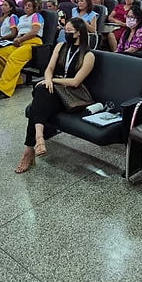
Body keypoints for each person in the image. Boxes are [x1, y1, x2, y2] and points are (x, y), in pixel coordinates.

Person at [15, 17, 96, 173]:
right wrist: (48, 79)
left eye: (69, 31)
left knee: (38, 100)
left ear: (79, 33)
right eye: (65, 30)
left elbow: (75, 82)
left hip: (71, 95)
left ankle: (30, 149)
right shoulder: (61, 46)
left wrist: (54, 81)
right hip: (54, 91)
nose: (65, 33)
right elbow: (49, 68)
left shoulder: (88, 55)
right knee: (41, 92)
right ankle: (38, 138)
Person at [0, 0, 44, 97]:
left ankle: (2, 87)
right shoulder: (22, 17)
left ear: (35, 8)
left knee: (13, 58)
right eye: (25, 6)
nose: (26, 8)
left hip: (33, 42)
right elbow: (18, 32)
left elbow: (34, 31)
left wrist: (20, 39)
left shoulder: (36, 16)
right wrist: (17, 38)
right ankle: (16, 81)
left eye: (29, 6)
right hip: (20, 42)